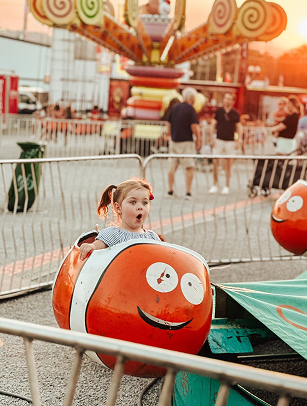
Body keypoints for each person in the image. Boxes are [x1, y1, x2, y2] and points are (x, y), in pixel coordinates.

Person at [79, 178, 161, 260]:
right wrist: (90, 246)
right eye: (133, 202)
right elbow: (95, 247)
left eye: (145, 203)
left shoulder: (152, 237)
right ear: (118, 208)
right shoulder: (112, 234)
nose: (140, 207)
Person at [166, 87, 202, 200]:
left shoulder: (175, 108)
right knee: (189, 167)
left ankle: (170, 190)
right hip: (187, 142)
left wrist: (170, 134)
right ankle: (188, 192)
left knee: (172, 166)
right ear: (191, 98)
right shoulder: (191, 110)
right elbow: (194, 127)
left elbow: (168, 123)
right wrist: (199, 139)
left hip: (174, 141)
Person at [209, 92, 243, 195]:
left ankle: (226, 185)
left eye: (229, 99)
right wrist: (211, 138)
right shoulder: (219, 112)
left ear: (233, 101)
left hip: (230, 141)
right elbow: (213, 125)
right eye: (225, 98)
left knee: (229, 164)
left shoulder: (235, 113)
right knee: (215, 162)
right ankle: (215, 184)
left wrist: (239, 140)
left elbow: (239, 127)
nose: (227, 100)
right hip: (219, 139)